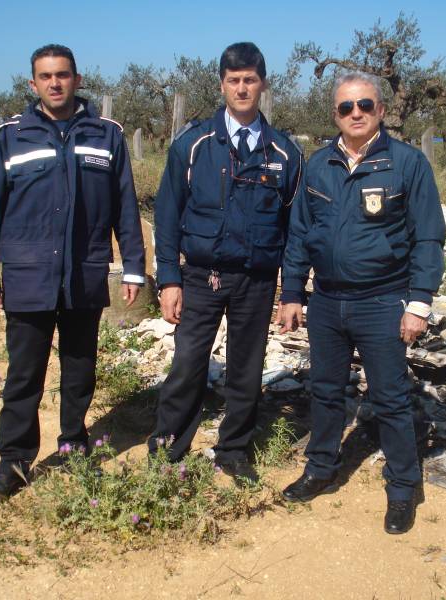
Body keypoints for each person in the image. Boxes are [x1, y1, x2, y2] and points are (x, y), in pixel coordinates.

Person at [0, 44, 145, 506]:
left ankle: (73, 444)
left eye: (63, 75)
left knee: (79, 370)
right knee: (23, 376)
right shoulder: (10, 136)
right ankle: (12, 462)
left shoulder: (105, 135)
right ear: (32, 84)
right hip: (29, 277)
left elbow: (125, 208)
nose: (55, 83)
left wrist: (134, 267)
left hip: (83, 275)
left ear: (77, 79)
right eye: (45, 76)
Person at [276, 71, 445, 533]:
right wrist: (292, 292)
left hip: (382, 301)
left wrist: (419, 303)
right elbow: (300, 235)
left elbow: (428, 238)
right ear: (335, 114)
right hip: (327, 302)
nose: (356, 114)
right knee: (326, 392)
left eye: (365, 105)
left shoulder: (407, 164)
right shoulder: (317, 166)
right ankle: (321, 470)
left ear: (381, 111)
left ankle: (404, 487)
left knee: (390, 399)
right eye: (346, 107)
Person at [150, 42, 303, 483]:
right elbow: (167, 217)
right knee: (187, 364)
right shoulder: (193, 145)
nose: (242, 88)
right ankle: (167, 448)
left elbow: (296, 231)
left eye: (249, 80)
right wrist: (169, 279)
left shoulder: (285, 154)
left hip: (255, 280)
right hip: (201, 277)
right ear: (222, 85)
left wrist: (290, 290)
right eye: (233, 81)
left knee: (246, 368)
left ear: (262, 84)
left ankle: (234, 451)